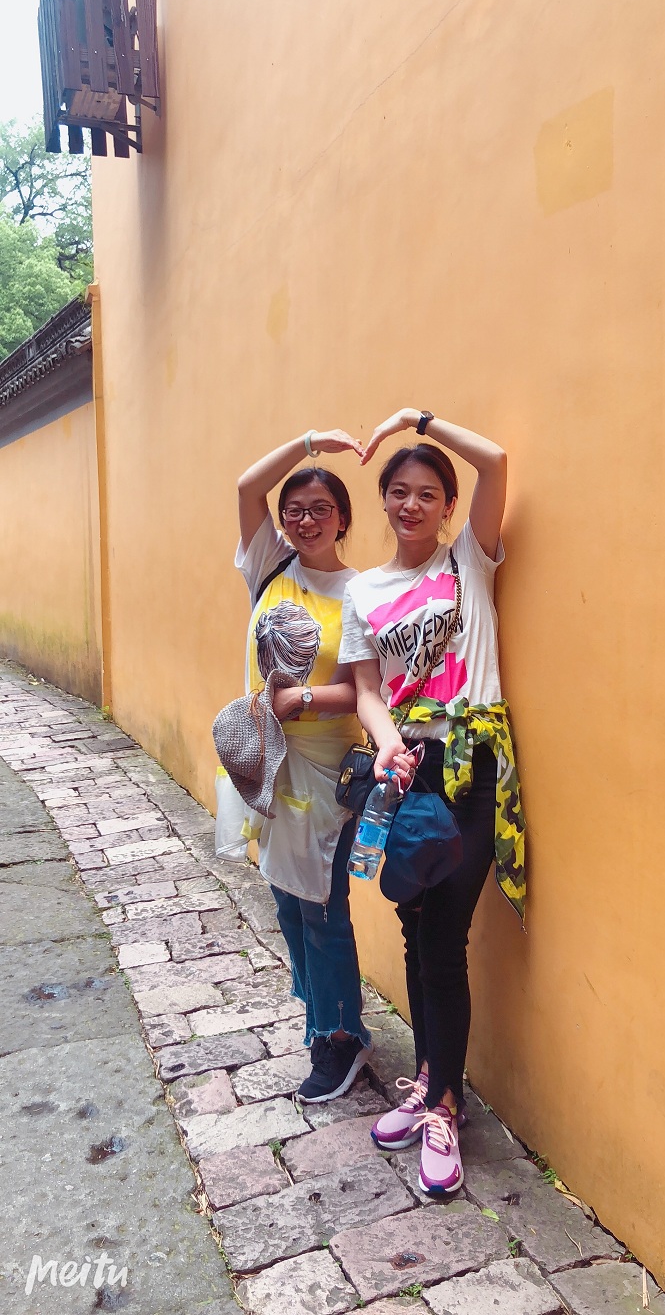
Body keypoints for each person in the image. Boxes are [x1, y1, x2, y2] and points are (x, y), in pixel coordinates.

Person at [339, 408, 525, 1194]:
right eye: (399, 492)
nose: (411, 505)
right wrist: (385, 742)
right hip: (405, 769)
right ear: (382, 501)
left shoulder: (468, 561)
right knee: (416, 932)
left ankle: (446, 1107)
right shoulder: (364, 590)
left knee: (445, 937)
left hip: (469, 765)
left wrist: (417, 420)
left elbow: (497, 461)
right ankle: (427, 1081)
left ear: (448, 505)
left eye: (427, 494)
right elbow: (366, 688)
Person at [224, 428, 373, 1102]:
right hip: (269, 764)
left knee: (321, 906)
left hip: (326, 768)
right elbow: (246, 486)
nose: (306, 520)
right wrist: (310, 443)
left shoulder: (362, 592)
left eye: (321, 509)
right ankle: (320, 1018)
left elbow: (364, 690)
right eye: (295, 510)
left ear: (343, 519)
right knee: (286, 900)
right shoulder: (270, 567)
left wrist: (300, 699)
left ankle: (341, 1038)